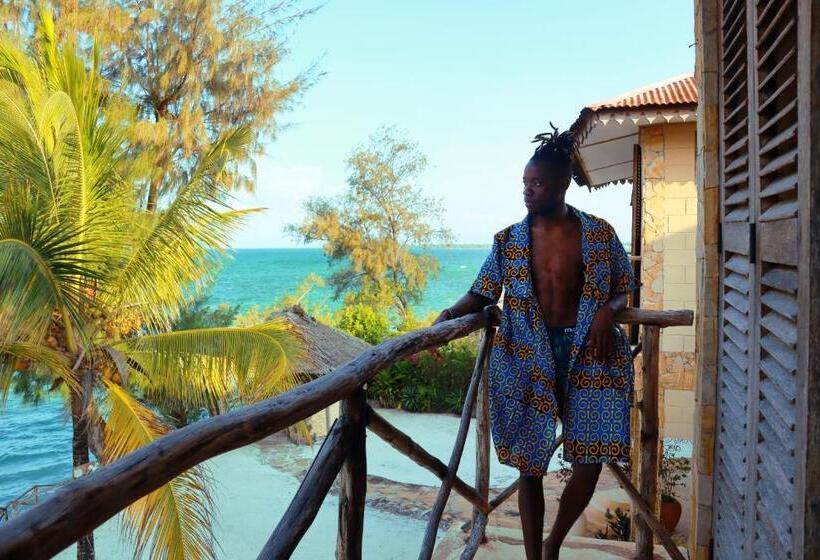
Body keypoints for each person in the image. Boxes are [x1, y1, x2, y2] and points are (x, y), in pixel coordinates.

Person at [433, 125, 635, 560]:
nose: (528, 191)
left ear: (562, 185)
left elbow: (624, 285)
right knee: (529, 464)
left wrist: (608, 311)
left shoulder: (599, 234)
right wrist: (447, 316)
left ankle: (552, 543)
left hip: (591, 357)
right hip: (526, 357)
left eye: (537, 183)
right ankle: (534, 558)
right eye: (525, 182)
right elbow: (482, 292)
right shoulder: (509, 242)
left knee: (590, 460)